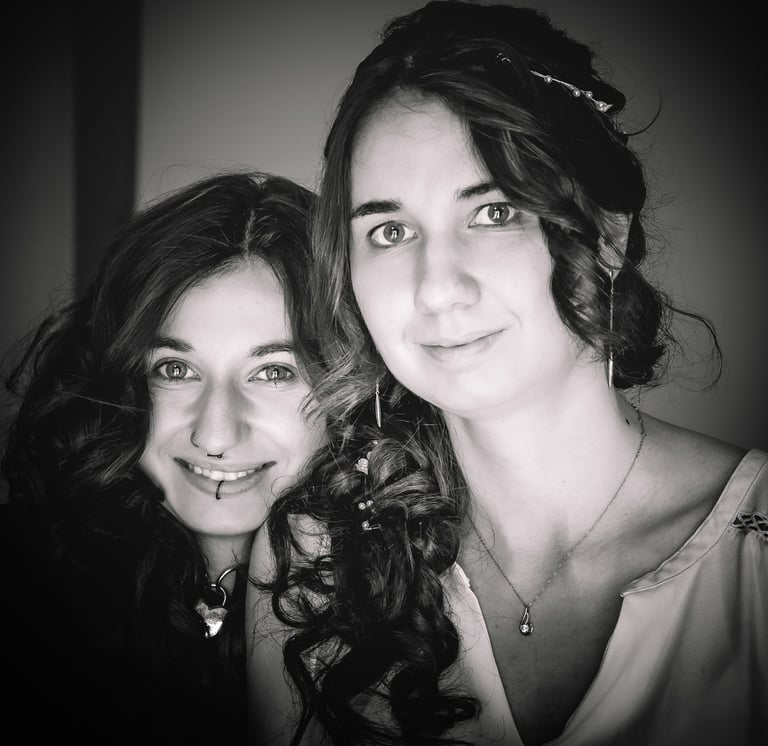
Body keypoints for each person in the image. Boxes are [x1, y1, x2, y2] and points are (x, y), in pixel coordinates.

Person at [246, 2, 768, 745]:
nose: (436, 287)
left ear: (607, 234)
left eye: (493, 213)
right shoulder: (316, 557)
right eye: (390, 231)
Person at [1, 171, 326, 744]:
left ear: (350, 391)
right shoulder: (22, 582)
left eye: (274, 372)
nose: (215, 434)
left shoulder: (417, 605)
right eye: (175, 370)